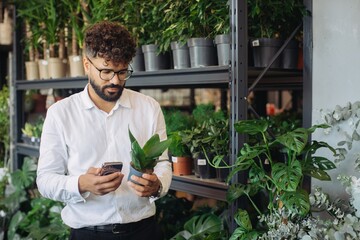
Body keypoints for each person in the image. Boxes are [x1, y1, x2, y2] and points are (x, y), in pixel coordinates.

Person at [36, 21, 171, 240]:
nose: (115, 81)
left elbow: (163, 163)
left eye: (122, 72)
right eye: (106, 71)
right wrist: (80, 184)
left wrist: (157, 186)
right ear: (87, 65)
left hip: (143, 231)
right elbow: (45, 180)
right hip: (88, 234)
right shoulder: (61, 113)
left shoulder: (148, 107)